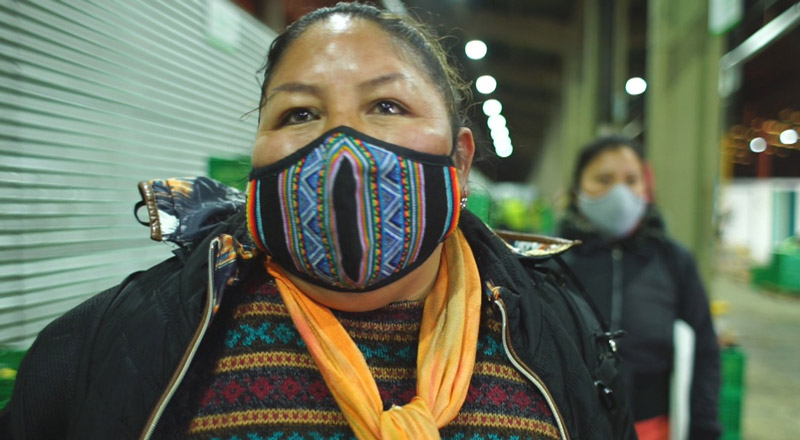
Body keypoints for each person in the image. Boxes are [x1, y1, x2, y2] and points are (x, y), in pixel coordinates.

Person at [0, 4, 635, 439]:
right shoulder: (106, 345)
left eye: (386, 104)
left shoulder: (559, 334)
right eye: (299, 114)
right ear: (257, 154)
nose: (342, 149)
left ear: (460, 161)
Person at [557, 136, 722, 440]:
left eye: (631, 180)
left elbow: (705, 349)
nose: (619, 192)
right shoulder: (554, 261)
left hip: (650, 426)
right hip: (568, 425)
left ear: (646, 188)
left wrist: (704, 426)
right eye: (603, 179)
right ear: (577, 190)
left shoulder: (674, 261)